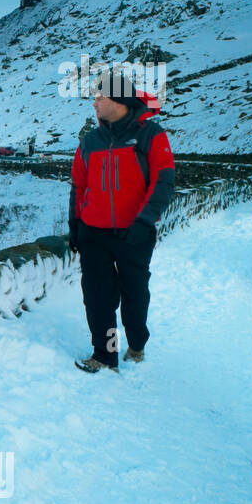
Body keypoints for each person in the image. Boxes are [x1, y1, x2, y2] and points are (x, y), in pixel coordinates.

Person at [68, 77, 175, 373]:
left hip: (135, 233)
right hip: (94, 232)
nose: (95, 102)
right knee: (98, 298)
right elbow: (78, 186)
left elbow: (163, 181)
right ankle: (105, 355)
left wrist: (144, 221)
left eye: (100, 97)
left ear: (119, 101)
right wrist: (75, 225)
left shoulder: (151, 135)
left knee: (134, 294)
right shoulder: (89, 141)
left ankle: (137, 343)